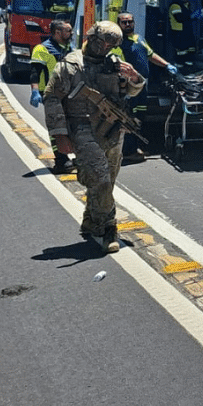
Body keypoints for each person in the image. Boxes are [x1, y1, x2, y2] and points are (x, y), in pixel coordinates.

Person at [44, 21, 145, 254]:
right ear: (91, 37)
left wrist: (135, 78)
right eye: (102, 43)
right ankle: (107, 227)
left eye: (111, 45)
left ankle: (91, 220)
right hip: (83, 127)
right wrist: (59, 135)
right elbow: (52, 99)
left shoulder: (114, 64)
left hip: (112, 129)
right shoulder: (71, 65)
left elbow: (130, 91)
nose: (105, 49)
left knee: (107, 179)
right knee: (100, 179)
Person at [114, 11, 178, 163]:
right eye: (124, 22)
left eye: (130, 21)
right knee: (129, 118)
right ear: (119, 24)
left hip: (142, 87)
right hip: (128, 87)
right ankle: (127, 151)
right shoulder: (118, 42)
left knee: (139, 118)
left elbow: (150, 55)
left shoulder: (139, 39)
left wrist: (166, 65)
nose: (128, 24)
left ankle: (134, 147)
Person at [30, 19, 75, 174]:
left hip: (70, 92)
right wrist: (35, 91)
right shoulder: (42, 49)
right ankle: (61, 160)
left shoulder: (70, 47)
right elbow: (35, 72)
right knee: (57, 127)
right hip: (51, 94)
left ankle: (73, 154)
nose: (71, 33)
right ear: (57, 32)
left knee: (72, 124)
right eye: (68, 31)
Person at [168, 0, 201, 66]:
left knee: (190, 50)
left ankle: (188, 66)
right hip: (179, 33)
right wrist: (192, 16)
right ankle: (180, 66)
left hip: (187, 32)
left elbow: (187, 18)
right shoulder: (175, 5)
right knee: (181, 52)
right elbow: (179, 18)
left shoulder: (186, 5)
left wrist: (196, 17)